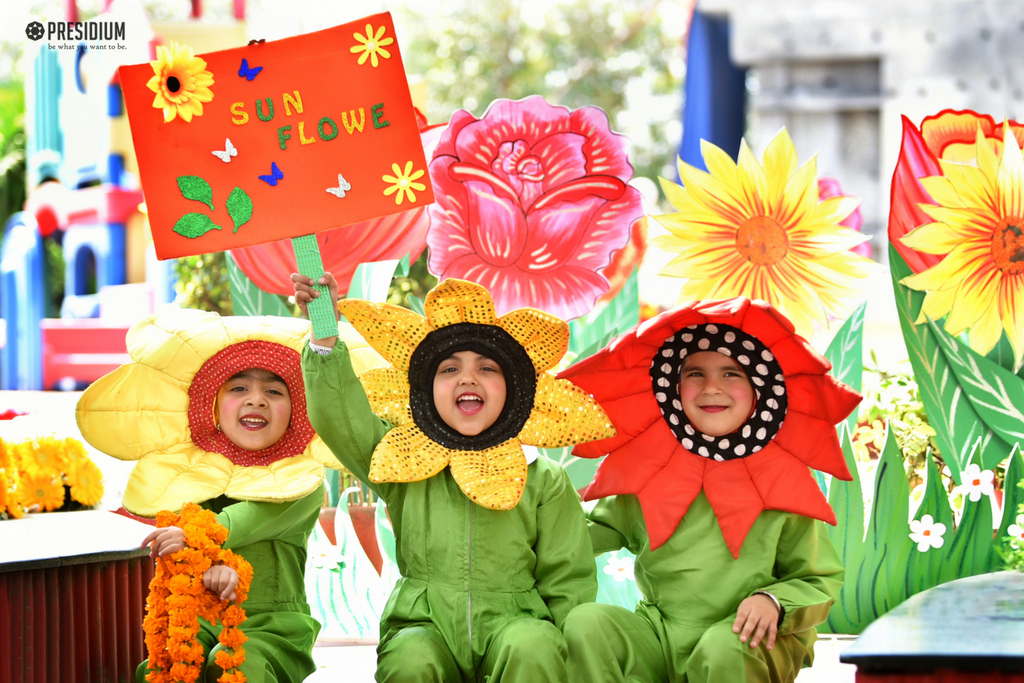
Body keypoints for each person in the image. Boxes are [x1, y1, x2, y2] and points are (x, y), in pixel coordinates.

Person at [292, 273, 613, 682]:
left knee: (534, 646)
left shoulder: (542, 478)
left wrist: (567, 654)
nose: (467, 378)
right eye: (449, 368)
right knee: (410, 659)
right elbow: (343, 421)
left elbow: (568, 576)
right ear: (425, 389)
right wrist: (323, 333)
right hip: (425, 623)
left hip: (516, 623)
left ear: (514, 386)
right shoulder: (405, 461)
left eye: (486, 367)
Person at [557, 297, 860, 683]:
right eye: (695, 373)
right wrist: (533, 504)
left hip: (745, 639)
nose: (711, 387)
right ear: (672, 388)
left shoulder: (779, 481)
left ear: (759, 390)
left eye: (731, 373)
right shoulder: (650, 469)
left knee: (723, 647)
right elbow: (581, 533)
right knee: (587, 622)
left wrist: (774, 602)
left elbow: (819, 579)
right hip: (660, 634)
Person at [76, 309, 379, 683]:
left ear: (297, 411)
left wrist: (195, 541)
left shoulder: (300, 482)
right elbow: (178, 550)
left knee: (234, 662)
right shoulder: (190, 475)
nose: (257, 400)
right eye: (239, 388)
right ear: (215, 406)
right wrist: (206, 567)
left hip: (271, 628)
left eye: (274, 390)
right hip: (199, 621)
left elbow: (245, 520)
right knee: (157, 668)